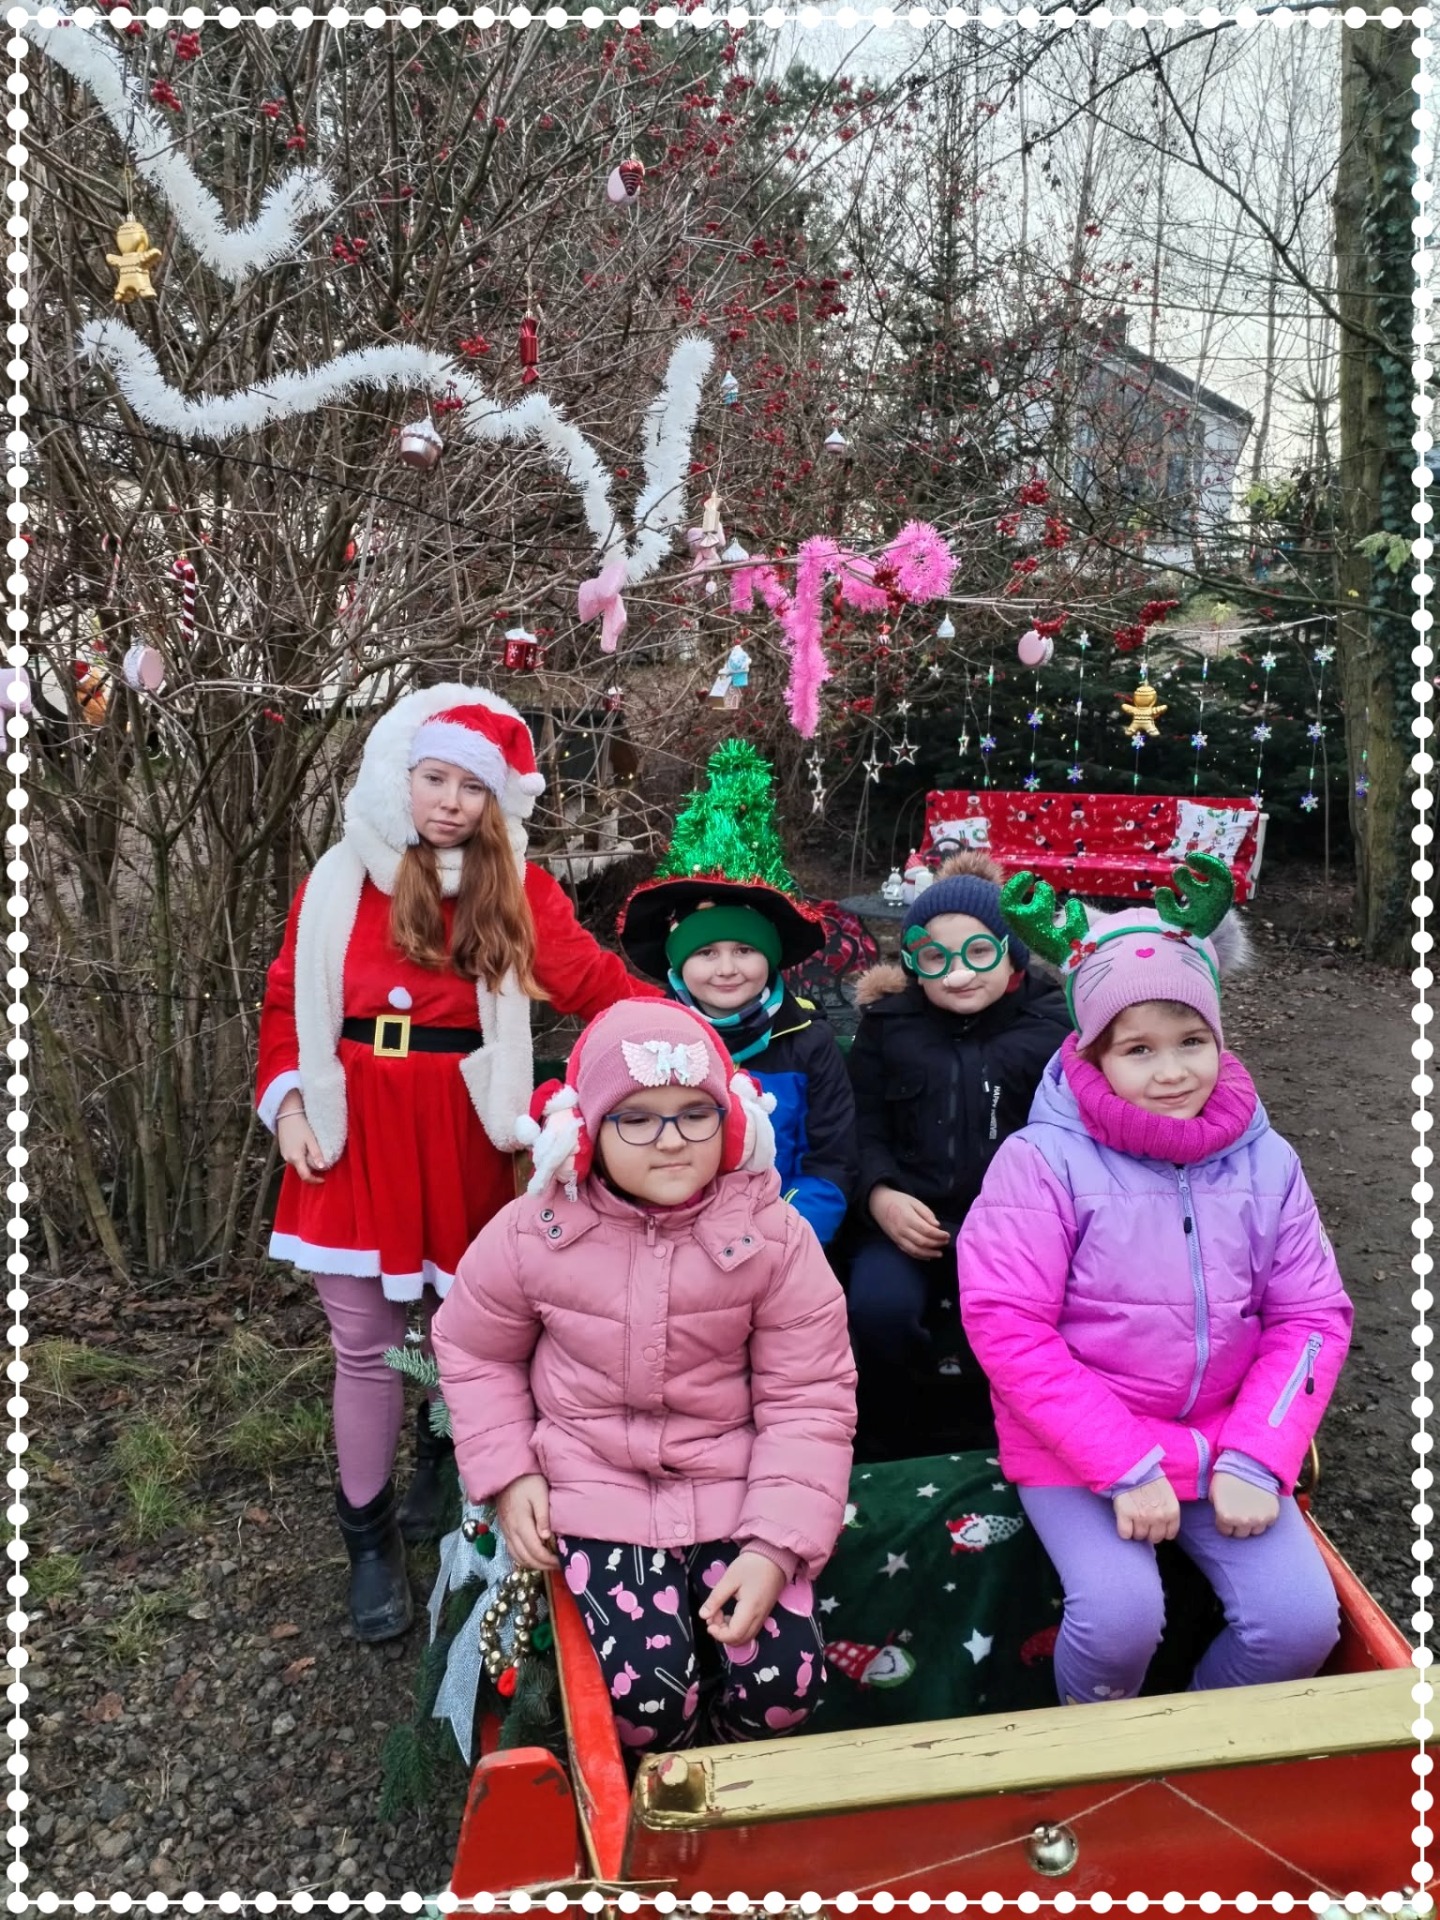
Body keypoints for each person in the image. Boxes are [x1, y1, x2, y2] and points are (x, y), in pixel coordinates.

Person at [256, 684, 661, 1643]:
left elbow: (598, 987)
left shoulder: (515, 886)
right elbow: (283, 1004)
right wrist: (290, 1106)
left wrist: (695, 1038)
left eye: (472, 787)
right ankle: (366, 1537)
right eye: (434, 778)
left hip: (469, 1130)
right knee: (363, 1344)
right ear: (399, 776)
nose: (450, 802)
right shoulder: (336, 882)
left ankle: (449, 1465)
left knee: (467, 1332)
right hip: (352, 1127)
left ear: (496, 800)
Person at [957, 855, 1352, 1702]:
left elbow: (1312, 1317)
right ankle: (1099, 1753)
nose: (1171, 1072)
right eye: (1138, 1049)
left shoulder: (1268, 1163)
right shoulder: (1042, 1163)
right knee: (1120, 1618)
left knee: (1299, 1624)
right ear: (1092, 1053)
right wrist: (1123, 1461)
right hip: (1079, 1446)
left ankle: (1197, 1749)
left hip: (1228, 1438)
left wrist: (1260, 1453)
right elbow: (1007, 1326)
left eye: (1191, 1042)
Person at [432, 1000, 857, 1754]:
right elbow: (476, 1349)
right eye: (637, 1119)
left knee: (784, 1687)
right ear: (588, 1131)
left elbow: (809, 1398)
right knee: (646, 1700)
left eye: (695, 1114)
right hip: (596, 1485)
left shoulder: (776, 1238)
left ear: (731, 1120)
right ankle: (659, 1799)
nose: (671, 1140)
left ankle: (732, 1780)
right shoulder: (534, 1233)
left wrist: (774, 1546)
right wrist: (510, 1473)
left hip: (734, 1486)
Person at [845, 851, 1070, 1458]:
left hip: (1016, 1228)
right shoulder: (889, 1027)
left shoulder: (1051, 1029)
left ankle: (1001, 1437)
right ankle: (889, 1439)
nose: (957, 975)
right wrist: (880, 1195)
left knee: (1025, 1320)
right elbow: (861, 1125)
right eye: (934, 959)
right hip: (910, 1222)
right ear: (913, 965)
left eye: (978, 953)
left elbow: (1076, 1138)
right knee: (878, 1309)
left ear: (1011, 953)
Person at [619, 873, 857, 1246]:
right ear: (678, 962)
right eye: (706, 952)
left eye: (745, 950)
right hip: (670, 1242)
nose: (727, 969)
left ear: (769, 955)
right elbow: (624, 1156)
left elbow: (831, 1161)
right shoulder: (648, 1043)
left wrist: (782, 1240)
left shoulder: (809, 1042)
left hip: (779, 1239)